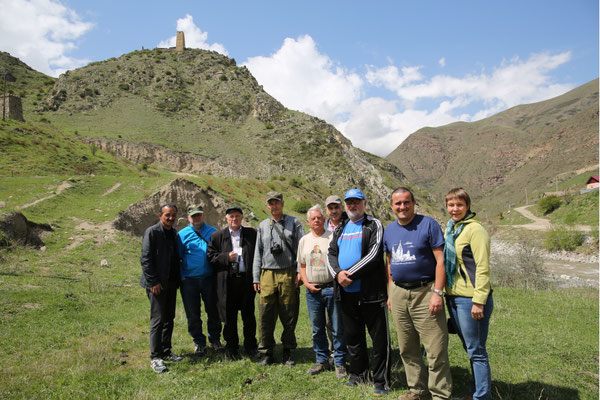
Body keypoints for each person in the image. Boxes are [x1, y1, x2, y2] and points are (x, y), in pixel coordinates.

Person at [383, 187, 452, 400]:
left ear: (413, 203)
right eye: (398, 203)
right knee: (407, 347)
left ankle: (440, 394)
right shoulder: (389, 230)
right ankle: (417, 390)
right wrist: (390, 292)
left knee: (436, 349)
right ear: (392, 206)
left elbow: (441, 260)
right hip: (399, 293)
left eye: (406, 202)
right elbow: (389, 262)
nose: (402, 207)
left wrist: (437, 293)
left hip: (426, 292)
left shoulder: (428, 225)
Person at [327, 188, 391, 397]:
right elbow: (331, 253)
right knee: (353, 337)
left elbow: (374, 255)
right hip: (346, 294)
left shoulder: (373, 224)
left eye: (356, 202)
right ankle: (358, 374)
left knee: (379, 340)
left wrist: (348, 274)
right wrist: (338, 274)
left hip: (371, 293)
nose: (352, 206)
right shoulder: (341, 227)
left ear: (364, 203)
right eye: (349, 202)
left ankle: (381, 380)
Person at [443, 188, 493, 400]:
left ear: (468, 206)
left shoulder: (475, 230)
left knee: (476, 350)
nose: (455, 209)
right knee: (470, 348)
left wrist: (479, 301)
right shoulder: (451, 229)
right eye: (451, 205)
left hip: (471, 300)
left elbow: (482, 267)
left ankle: (482, 396)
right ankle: (476, 391)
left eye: (459, 205)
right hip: (453, 297)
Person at [252, 191, 305, 366]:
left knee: (289, 313)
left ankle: (288, 350)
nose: (274, 206)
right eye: (271, 203)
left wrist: (300, 271)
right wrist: (256, 277)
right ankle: (266, 351)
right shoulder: (262, 226)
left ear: (282, 203)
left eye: (277, 202)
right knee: (265, 314)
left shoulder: (294, 222)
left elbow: (301, 248)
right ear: (267, 206)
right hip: (267, 274)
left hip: (288, 272)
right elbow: (258, 253)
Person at [297, 205, 347, 378]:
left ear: (324, 220)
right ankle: (322, 360)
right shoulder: (304, 240)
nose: (317, 220)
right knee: (316, 328)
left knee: (337, 327)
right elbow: (302, 265)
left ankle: (340, 362)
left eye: (319, 217)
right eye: (313, 218)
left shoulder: (333, 237)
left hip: (331, 287)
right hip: (313, 291)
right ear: (308, 222)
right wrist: (306, 282)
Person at [207, 206, 259, 360]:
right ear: (226, 219)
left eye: (237, 216)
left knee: (248, 316)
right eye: (231, 216)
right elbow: (210, 257)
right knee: (229, 318)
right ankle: (232, 347)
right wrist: (225, 257)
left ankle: (251, 346)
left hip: (246, 282)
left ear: (242, 218)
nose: (234, 219)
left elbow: (258, 254)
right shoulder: (217, 236)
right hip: (227, 283)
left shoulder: (251, 234)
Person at [140, 203, 183, 373]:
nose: (170, 218)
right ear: (160, 216)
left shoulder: (173, 233)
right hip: (156, 284)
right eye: (167, 215)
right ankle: (155, 357)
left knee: (169, 318)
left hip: (171, 283)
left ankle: (166, 351)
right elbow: (145, 259)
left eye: (173, 215)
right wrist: (153, 282)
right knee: (157, 320)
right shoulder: (152, 232)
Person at [177, 204, 222, 355]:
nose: (197, 218)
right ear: (188, 217)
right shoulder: (182, 235)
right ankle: (199, 342)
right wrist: (182, 277)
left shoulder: (213, 232)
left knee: (213, 311)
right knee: (193, 313)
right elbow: (178, 257)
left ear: (203, 215)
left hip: (209, 279)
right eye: (193, 215)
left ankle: (215, 339)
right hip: (190, 280)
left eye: (199, 215)